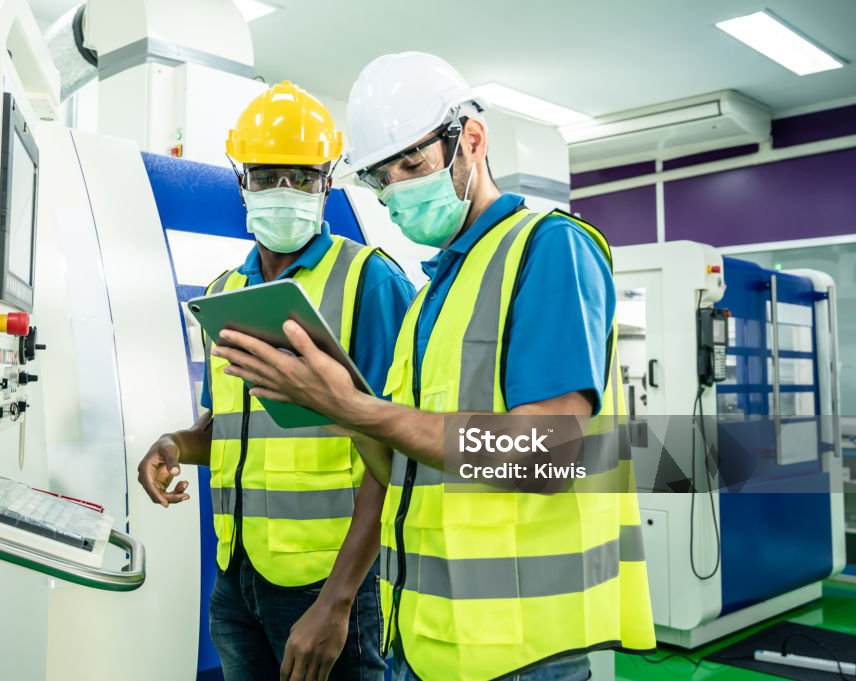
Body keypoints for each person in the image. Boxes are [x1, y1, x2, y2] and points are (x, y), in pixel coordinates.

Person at [208, 54, 657, 681]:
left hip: (521, 650)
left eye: (411, 164)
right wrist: (322, 402)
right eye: (381, 178)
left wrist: (353, 407)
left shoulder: (549, 247)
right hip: (426, 637)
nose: (397, 191)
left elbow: (551, 450)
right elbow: (398, 458)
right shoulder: (429, 297)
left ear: (471, 139)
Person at [137, 81, 415, 681]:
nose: (283, 193)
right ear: (243, 182)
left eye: (302, 178)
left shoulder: (369, 283)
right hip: (237, 579)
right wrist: (177, 445)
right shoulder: (223, 295)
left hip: (331, 582)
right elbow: (231, 428)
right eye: (266, 177)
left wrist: (338, 602)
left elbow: (397, 451)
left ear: (328, 182)